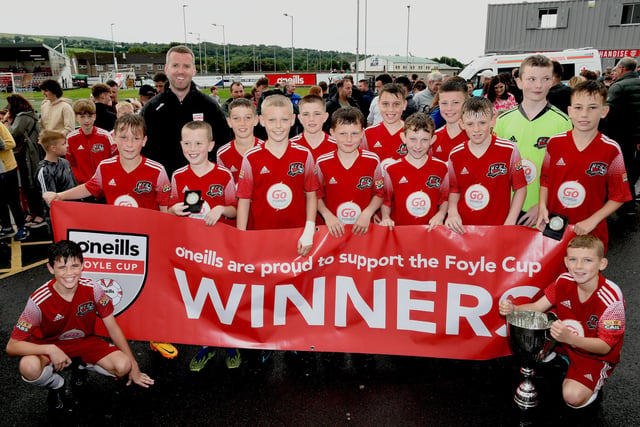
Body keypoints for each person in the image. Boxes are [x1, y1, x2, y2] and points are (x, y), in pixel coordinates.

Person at [42, 114, 178, 359]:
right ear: (114, 138)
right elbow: (91, 188)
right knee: (116, 288)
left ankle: (157, 335)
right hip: (115, 244)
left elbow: (165, 208)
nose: (129, 143)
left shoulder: (157, 171)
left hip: (148, 243)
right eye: (123, 137)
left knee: (154, 288)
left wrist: (164, 240)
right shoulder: (106, 167)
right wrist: (60, 196)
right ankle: (112, 338)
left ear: (144, 141)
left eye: (135, 138)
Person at [5, 240, 154, 412]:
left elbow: (112, 327)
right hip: (48, 346)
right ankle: (56, 385)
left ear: (83, 266)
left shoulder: (94, 289)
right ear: (50, 268)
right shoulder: (38, 300)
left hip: (84, 342)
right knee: (28, 367)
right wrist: (51, 349)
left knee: (123, 366)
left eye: (75, 266)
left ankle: (80, 367)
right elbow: (12, 346)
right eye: (62, 267)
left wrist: (134, 365)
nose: (69, 273)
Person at [499, 235, 625, 409]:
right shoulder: (563, 281)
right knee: (548, 316)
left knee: (572, 398)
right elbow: (537, 307)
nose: (579, 266)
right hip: (566, 341)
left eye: (587, 260)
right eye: (573, 259)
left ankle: (593, 380)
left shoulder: (612, 299)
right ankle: (559, 354)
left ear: (602, 264)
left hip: (593, 355)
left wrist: (570, 339)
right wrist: (514, 309)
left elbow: (605, 347)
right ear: (566, 261)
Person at [168, 121, 239, 372]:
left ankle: (231, 343)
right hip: (193, 251)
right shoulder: (178, 176)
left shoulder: (223, 175)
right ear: (181, 145)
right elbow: (169, 209)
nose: (192, 148)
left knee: (224, 298)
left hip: (221, 250)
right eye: (187, 143)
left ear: (210, 145)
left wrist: (221, 209)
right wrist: (172, 210)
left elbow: (235, 209)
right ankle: (206, 345)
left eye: (198, 143)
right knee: (201, 299)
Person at [537, 80, 631, 249]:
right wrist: (542, 208)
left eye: (592, 107)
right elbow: (545, 180)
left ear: (604, 111)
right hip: (554, 230)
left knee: (585, 273)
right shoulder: (555, 143)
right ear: (570, 111)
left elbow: (620, 195)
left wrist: (592, 220)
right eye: (578, 108)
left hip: (590, 233)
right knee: (555, 274)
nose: (584, 114)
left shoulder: (611, 149)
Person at [493, 54, 572, 227]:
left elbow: (566, 173)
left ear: (552, 81)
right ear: (519, 82)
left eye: (545, 79)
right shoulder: (502, 121)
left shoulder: (563, 122)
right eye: (531, 79)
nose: (538, 85)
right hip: (507, 209)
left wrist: (543, 205)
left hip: (543, 211)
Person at [236, 95, 318, 257]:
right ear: (262, 120)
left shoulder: (304, 154)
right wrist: (241, 236)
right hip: (261, 235)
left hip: (297, 236)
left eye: (284, 120)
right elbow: (244, 200)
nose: (278, 126)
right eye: (272, 120)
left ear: (293, 120)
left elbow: (311, 195)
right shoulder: (251, 157)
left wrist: (309, 230)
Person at [142, 45, 231, 177]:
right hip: (163, 186)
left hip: (203, 183)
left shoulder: (210, 106)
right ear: (166, 69)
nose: (181, 71)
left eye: (186, 66)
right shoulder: (151, 109)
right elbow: (143, 150)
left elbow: (224, 144)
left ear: (194, 70)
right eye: (175, 65)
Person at [445, 97, 527, 234]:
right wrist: (452, 212)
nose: (476, 129)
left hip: (498, 229)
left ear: (492, 121)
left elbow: (520, 188)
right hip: (464, 230)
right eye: (470, 124)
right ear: (461, 124)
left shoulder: (509, 150)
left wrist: (510, 221)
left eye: (482, 123)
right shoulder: (455, 154)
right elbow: (454, 189)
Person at [315, 107, 383, 237]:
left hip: (363, 229)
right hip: (332, 231)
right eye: (343, 134)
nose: (349, 139)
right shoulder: (322, 162)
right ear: (332, 133)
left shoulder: (373, 160)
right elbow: (316, 196)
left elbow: (379, 193)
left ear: (362, 133)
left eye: (355, 133)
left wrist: (368, 213)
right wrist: (327, 215)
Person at [380, 112, 449, 229]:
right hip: (401, 233)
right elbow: (386, 201)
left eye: (424, 140)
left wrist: (441, 215)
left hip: (430, 233)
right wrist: (386, 217)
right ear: (403, 138)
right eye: (413, 139)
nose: (418, 146)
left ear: (433, 139)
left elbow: (445, 199)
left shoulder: (442, 168)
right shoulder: (392, 169)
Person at [600, 57, 640, 215]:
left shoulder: (619, 87)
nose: (614, 73)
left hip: (623, 136)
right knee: (632, 170)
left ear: (622, 69)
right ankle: (629, 205)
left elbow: (607, 113)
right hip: (634, 137)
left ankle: (624, 205)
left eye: (615, 70)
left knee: (623, 171)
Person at [4, 94, 44, 228]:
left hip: (28, 154)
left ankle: (39, 213)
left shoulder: (22, 117)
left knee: (31, 184)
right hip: (29, 152)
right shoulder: (30, 115)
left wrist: (5, 123)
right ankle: (33, 212)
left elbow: (12, 132)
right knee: (28, 184)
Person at [66, 99, 116, 185]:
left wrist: (109, 177)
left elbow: (114, 158)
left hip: (105, 183)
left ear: (95, 117)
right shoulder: (71, 138)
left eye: (89, 116)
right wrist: (80, 178)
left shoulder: (105, 136)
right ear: (76, 117)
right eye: (82, 117)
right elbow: (70, 163)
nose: (86, 121)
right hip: (83, 185)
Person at [35, 130, 77, 224]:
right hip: (58, 218)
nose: (66, 146)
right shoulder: (45, 171)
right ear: (53, 148)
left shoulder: (65, 162)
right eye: (63, 144)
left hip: (74, 211)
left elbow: (74, 185)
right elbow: (49, 200)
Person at [361, 83, 407, 167]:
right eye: (385, 104)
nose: (390, 109)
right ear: (379, 104)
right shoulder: (367, 134)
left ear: (404, 105)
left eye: (396, 104)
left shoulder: (415, 134)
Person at [216, 98, 261, 183]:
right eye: (236, 118)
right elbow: (223, 185)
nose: (242, 123)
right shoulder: (222, 154)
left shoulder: (267, 150)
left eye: (247, 117)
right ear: (229, 122)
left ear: (256, 120)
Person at [0, 122, 29, 240]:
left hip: (6, 168)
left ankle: (22, 226)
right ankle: (6, 226)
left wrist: (1, 145)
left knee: (13, 199)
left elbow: (11, 142)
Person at [431, 77, 469, 162]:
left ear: (466, 103)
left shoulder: (477, 136)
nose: (449, 108)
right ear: (439, 104)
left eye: (455, 102)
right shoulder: (432, 138)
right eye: (444, 103)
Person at [291, 95, 335, 161]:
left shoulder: (338, 147)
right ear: (300, 118)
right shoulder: (289, 146)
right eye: (306, 114)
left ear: (325, 117)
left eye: (317, 114)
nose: (311, 119)